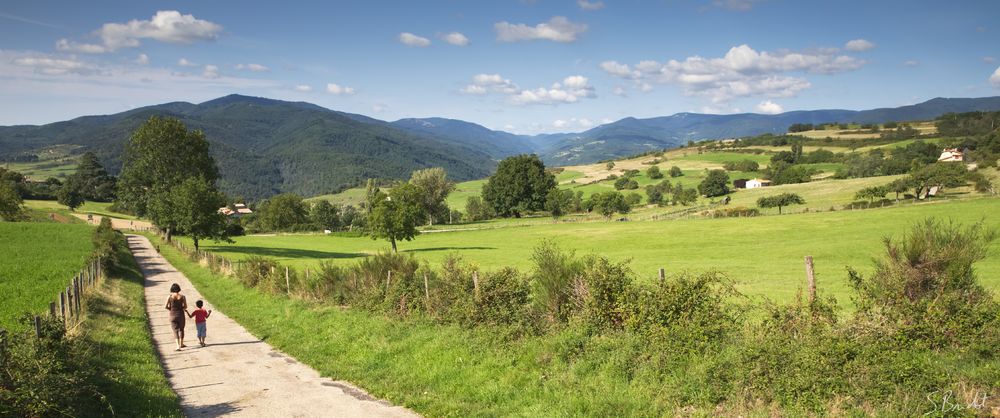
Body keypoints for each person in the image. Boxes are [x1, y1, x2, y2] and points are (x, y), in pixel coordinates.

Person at [165, 283, 187, 351]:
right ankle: (181, 344)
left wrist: (171, 309)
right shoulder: (183, 297)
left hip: (172, 315)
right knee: (181, 329)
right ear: (179, 289)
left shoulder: (169, 297)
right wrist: (181, 308)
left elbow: (165, 306)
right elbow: (185, 306)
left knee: (175, 331)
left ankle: (177, 346)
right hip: (181, 315)